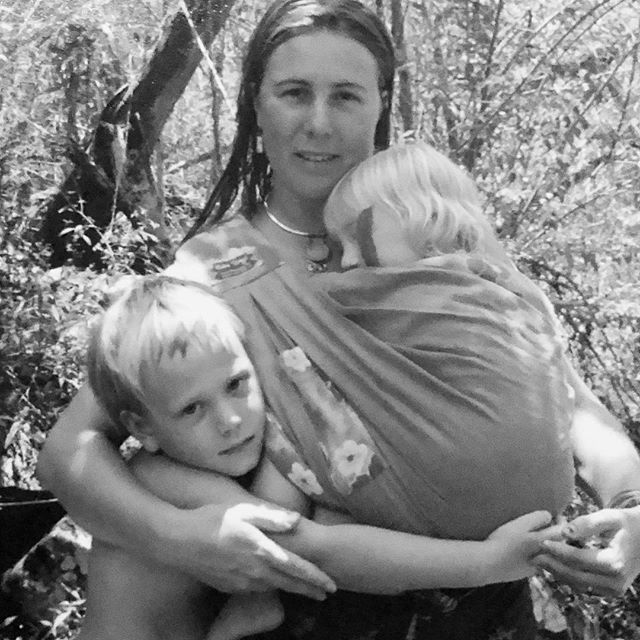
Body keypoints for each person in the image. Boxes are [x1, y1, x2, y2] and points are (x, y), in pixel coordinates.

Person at [36, 0, 640, 637]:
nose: (318, 123)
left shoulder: (436, 240)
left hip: (489, 614)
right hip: (323, 613)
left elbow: (570, 406)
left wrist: (634, 513)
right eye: (294, 93)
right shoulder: (213, 273)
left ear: (381, 104)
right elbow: (69, 452)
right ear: (256, 106)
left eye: (346, 96)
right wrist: (179, 535)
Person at [78, 274, 555, 640]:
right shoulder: (157, 475)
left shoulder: (230, 455)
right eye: (192, 408)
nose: (230, 420)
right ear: (142, 429)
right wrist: (489, 562)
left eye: (236, 384)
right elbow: (318, 551)